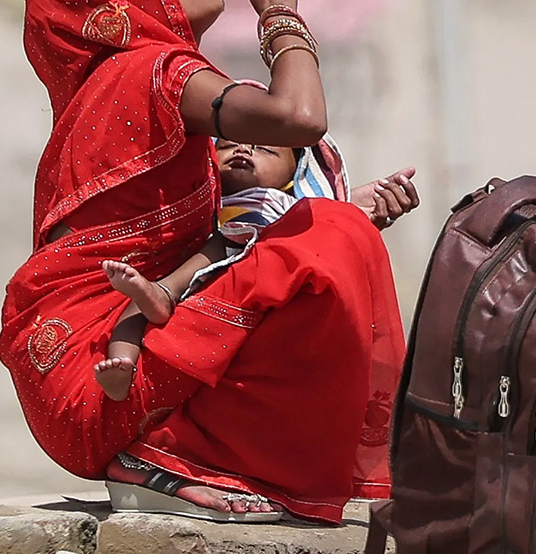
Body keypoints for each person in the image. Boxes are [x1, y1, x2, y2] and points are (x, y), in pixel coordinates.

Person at [1, 0, 406, 523]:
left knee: (332, 234)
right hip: (101, 369)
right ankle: (175, 458)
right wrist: (280, 8)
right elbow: (300, 117)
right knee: (330, 237)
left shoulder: (121, 84)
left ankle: (202, 454)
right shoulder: (153, 70)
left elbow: (241, 236)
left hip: (76, 372)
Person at [94, 137, 419, 401]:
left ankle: (161, 295)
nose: (243, 148)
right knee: (136, 304)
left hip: (244, 280)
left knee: (188, 270)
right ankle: (122, 366)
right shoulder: (195, 207)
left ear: (296, 174)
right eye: (225, 145)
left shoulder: (294, 210)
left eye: (264, 148)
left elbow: (320, 230)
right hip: (201, 279)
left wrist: (347, 209)